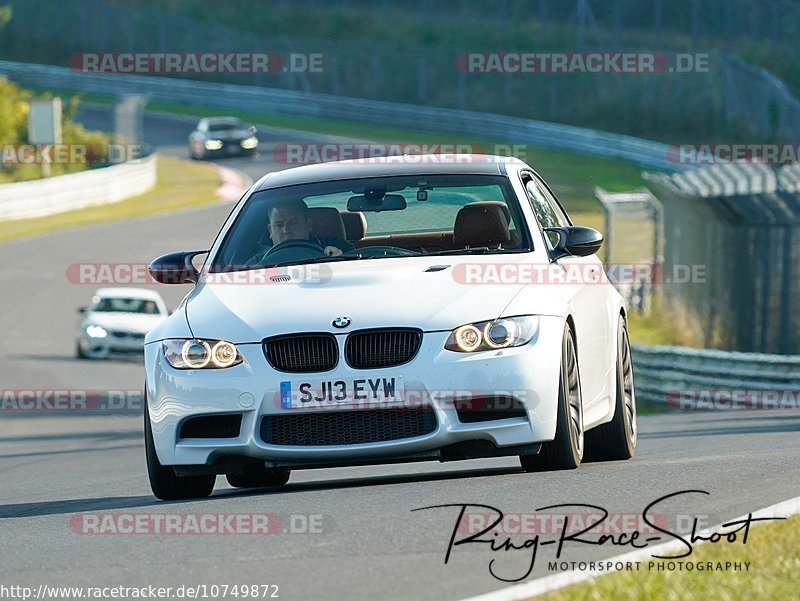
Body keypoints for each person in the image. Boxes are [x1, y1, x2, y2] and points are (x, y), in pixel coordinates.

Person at [268, 199, 354, 256]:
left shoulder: (339, 246)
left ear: (308, 225)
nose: (286, 230)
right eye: (278, 225)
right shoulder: (258, 263)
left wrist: (341, 260)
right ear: (270, 231)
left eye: (293, 223)